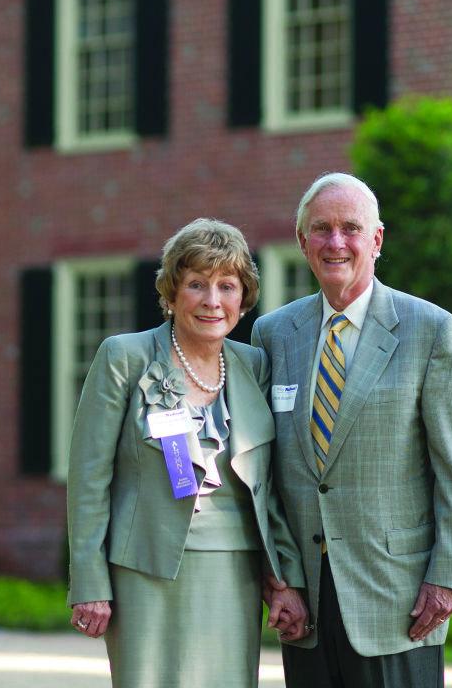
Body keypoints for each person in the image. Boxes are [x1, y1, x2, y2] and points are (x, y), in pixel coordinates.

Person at [251, 173, 452, 688]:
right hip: (306, 598)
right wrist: (276, 575)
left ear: (376, 240)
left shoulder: (432, 331)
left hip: (398, 598)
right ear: (302, 242)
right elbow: (261, 470)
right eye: (322, 229)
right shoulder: (272, 334)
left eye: (351, 228)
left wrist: (448, 577)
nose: (336, 243)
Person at [67, 218, 310, 688]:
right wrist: (89, 583)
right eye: (197, 284)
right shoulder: (125, 357)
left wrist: (283, 580)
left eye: (227, 285)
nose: (212, 301)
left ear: (244, 297)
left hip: (234, 569)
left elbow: (267, 487)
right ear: (172, 292)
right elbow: (88, 478)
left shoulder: (253, 364)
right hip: (144, 568)